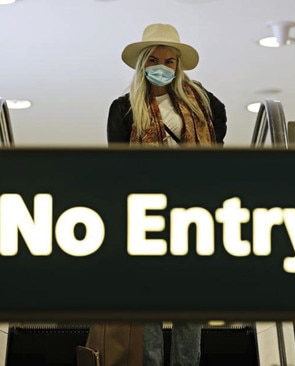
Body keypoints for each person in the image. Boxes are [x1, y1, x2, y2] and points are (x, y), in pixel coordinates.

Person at [107, 23, 227, 366]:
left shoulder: (203, 103)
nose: (163, 66)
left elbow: (217, 142)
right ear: (143, 63)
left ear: (179, 65)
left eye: (170, 60)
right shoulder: (124, 108)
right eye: (155, 59)